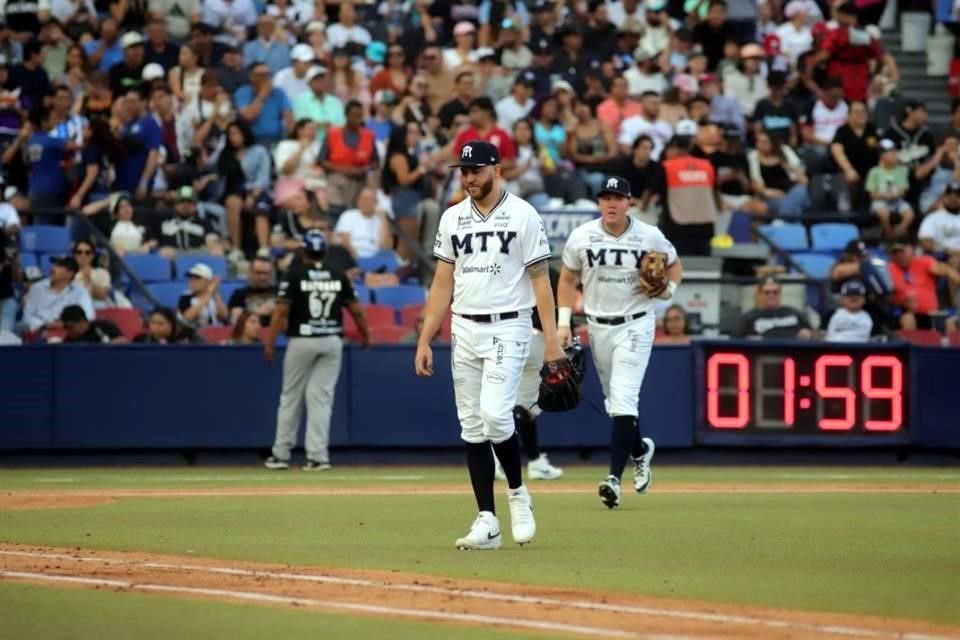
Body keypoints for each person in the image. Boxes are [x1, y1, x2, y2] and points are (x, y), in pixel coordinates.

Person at [416, 140, 562, 550]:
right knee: (472, 426)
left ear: (497, 170)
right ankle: (487, 521)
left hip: (509, 325)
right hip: (464, 327)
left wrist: (552, 341)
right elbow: (442, 282)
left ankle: (517, 494)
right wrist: (425, 338)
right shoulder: (452, 217)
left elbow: (541, 281)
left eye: (475, 170)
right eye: (463, 171)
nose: (468, 178)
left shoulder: (523, 214)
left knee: (496, 415)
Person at [556, 175, 683, 509]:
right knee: (615, 404)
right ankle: (640, 451)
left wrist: (666, 291)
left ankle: (613, 478)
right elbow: (567, 278)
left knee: (624, 398)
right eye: (605, 197)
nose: (610, 203)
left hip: (635, 323)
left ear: (629, 202)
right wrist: (563, 322)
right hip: (598, 327)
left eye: (617, 198)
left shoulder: (648, 235)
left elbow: (675, 267)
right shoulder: (582, 235)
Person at [264, 230, 370, 471]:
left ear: (303, 250)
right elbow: (356, 310)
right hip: (331, 340)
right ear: (325, 251)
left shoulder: (294, 274)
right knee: (321, 398)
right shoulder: (337, 274)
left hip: (302, 338)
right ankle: (318, 456)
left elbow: (280, 312)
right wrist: (366, 335)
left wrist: (269, 342)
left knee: (291, 397)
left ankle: (281, 454)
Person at [494, 265, 565, 482]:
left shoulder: (505, 265)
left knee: (503, 402)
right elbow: (557, 305)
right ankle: (513, 459)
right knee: (524, 407)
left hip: (502, 335)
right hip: (534, 337)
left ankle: (530, 460)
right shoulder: (548, 271)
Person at [736, 278, 813, 339]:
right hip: (763, 352)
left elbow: (815, 335)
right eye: (767, 292)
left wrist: (809, 334)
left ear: (780, 294)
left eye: (775, 292)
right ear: (759, 295)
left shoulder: (795, 313)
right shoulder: (748, 318)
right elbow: (736, 340)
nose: (771, 295)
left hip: (793, 352)